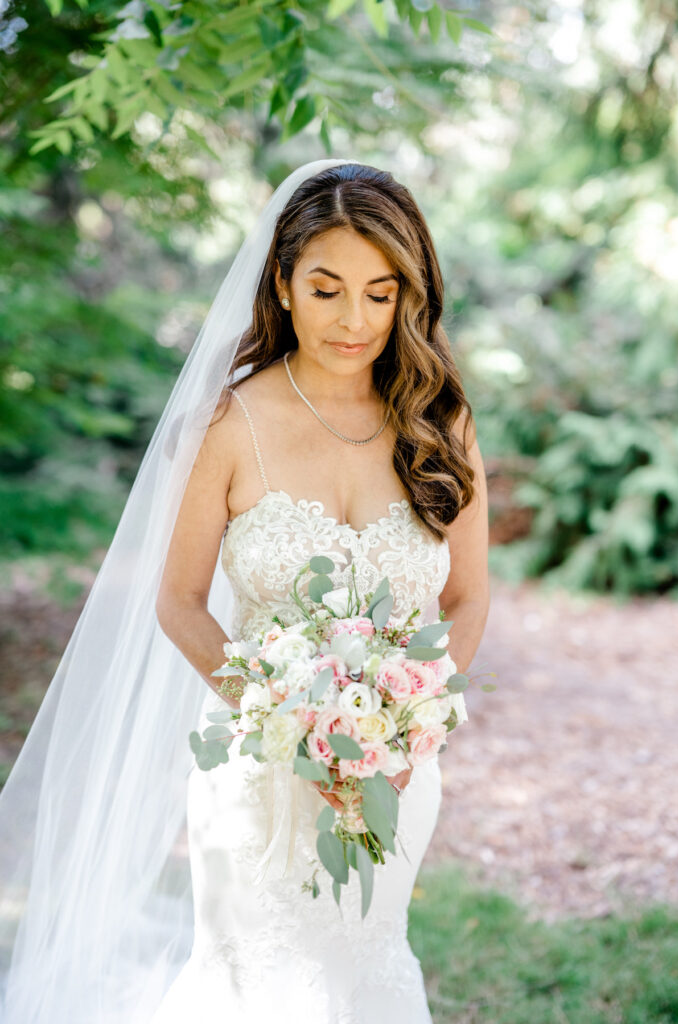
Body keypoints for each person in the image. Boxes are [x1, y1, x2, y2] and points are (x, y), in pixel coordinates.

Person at [0, 158, 489, 1024]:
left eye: (380, 293)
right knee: (256, 983)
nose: (353, 319)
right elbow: (179, 602)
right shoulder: (227, 423)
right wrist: (289, 726)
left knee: (367, 967)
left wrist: (410, 725)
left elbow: (466, 601)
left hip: (393, 767)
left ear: (408, 296)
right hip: (253, 769)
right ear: (283, 281)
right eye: (327, 287)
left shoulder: (439, 422)